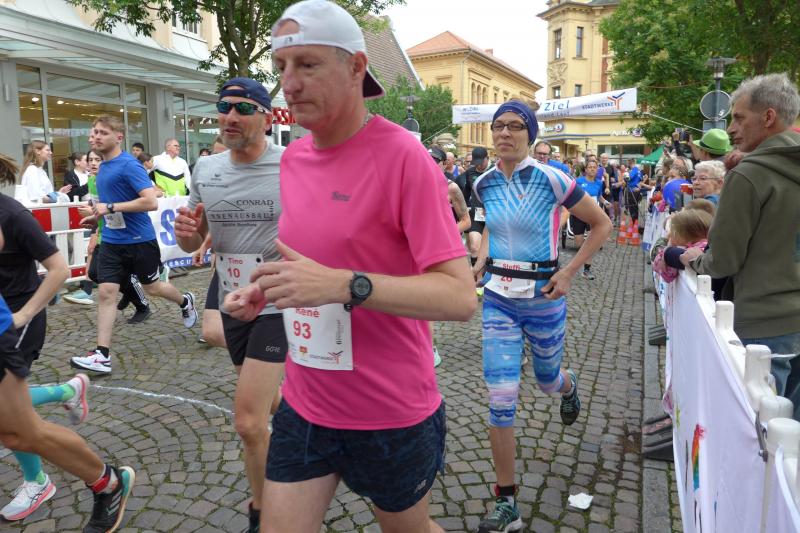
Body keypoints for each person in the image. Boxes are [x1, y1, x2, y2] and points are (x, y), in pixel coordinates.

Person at [229, 2, 476, 530]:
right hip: (305, 403)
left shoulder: (404, 157)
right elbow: (310, 262)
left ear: (356, 67)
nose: (289, 84)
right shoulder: (293, 159)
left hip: (389, 410)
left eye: (308, 65)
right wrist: (266, 289)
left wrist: (345, 285)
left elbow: (459, 297)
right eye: (281, 67)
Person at [471, 99, 610, 533]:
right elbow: (492, 224)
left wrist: (568, 272)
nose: (504, 133)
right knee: (501, 397)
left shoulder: (553, 178)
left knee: (547, 380)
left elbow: (601, 224)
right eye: (498, 126)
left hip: (544, 296)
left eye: (515, 126)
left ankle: (568, 386)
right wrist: (481, 259)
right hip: (499, 298)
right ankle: (507, 501)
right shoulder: (484, 183)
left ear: (530, 134)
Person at [0, 154, 135, 531]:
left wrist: (24, 315)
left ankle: (98, 482)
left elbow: (59, 269)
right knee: (10, 426)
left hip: (14, 322)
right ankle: (67, 392)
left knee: (19, 428)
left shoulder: (12, 214)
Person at [175, 77, 285, 532]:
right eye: (224, 107)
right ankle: (300, 419)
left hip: (278, 299)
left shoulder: (293, 164)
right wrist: (188, 236)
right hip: (232, 298)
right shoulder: (206, 169)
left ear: (267, 117)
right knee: (266, 402)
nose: (230, 116)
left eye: (243, 108)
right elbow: (196, 239)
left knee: (248, 421)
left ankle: (263, 511)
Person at [681, 72, 800, 420]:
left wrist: (695, 259)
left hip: (763, 326)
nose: (731, 129)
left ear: (768, 117)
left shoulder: (749, 175)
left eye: (738, 118)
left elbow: (723, 260)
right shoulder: (757, 168)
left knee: (755, 431)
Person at [69, 115, 196, 375]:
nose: (96, 137)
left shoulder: (129, 165)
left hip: (140, 241)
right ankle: (102, 355)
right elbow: (108, 206)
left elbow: (151, 201)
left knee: (153, 287)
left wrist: (110, 207)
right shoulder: (102, 168)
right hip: (112, 242)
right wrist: (97, 218)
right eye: (94, 132)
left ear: (119, 137)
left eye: (103, 132)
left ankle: (185, 301)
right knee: (106, 293)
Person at [571, 160, 610, 279]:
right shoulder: (578, 181)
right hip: (578, 214)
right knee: (578, 243)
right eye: (590, 167)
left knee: (590, 242)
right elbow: (571, 195)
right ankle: (582, 258)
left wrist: (605, 202)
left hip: (593, 215)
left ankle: (586, 270)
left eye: (594, 167)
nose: (592, 169)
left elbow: (599, 196)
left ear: (597, 170)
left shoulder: (599, 183)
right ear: (586, 169)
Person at [652, 209, 712, 283]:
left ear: (684, 237)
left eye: (674, 232)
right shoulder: (709, 247)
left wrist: (669, 246)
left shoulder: (687, 252)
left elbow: (667, 272)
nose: (671, 235)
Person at [464, 147, 492, 266]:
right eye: (476, 163)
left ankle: (485, 272)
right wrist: (465, 208)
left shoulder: (495, 171)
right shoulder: (470, 173)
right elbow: (466, 192)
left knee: (489, 250)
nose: (479, 165)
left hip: (492, 215)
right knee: (474, 247)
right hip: (476, 215)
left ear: (487, 158)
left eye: (481, 162)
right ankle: (476, 274)